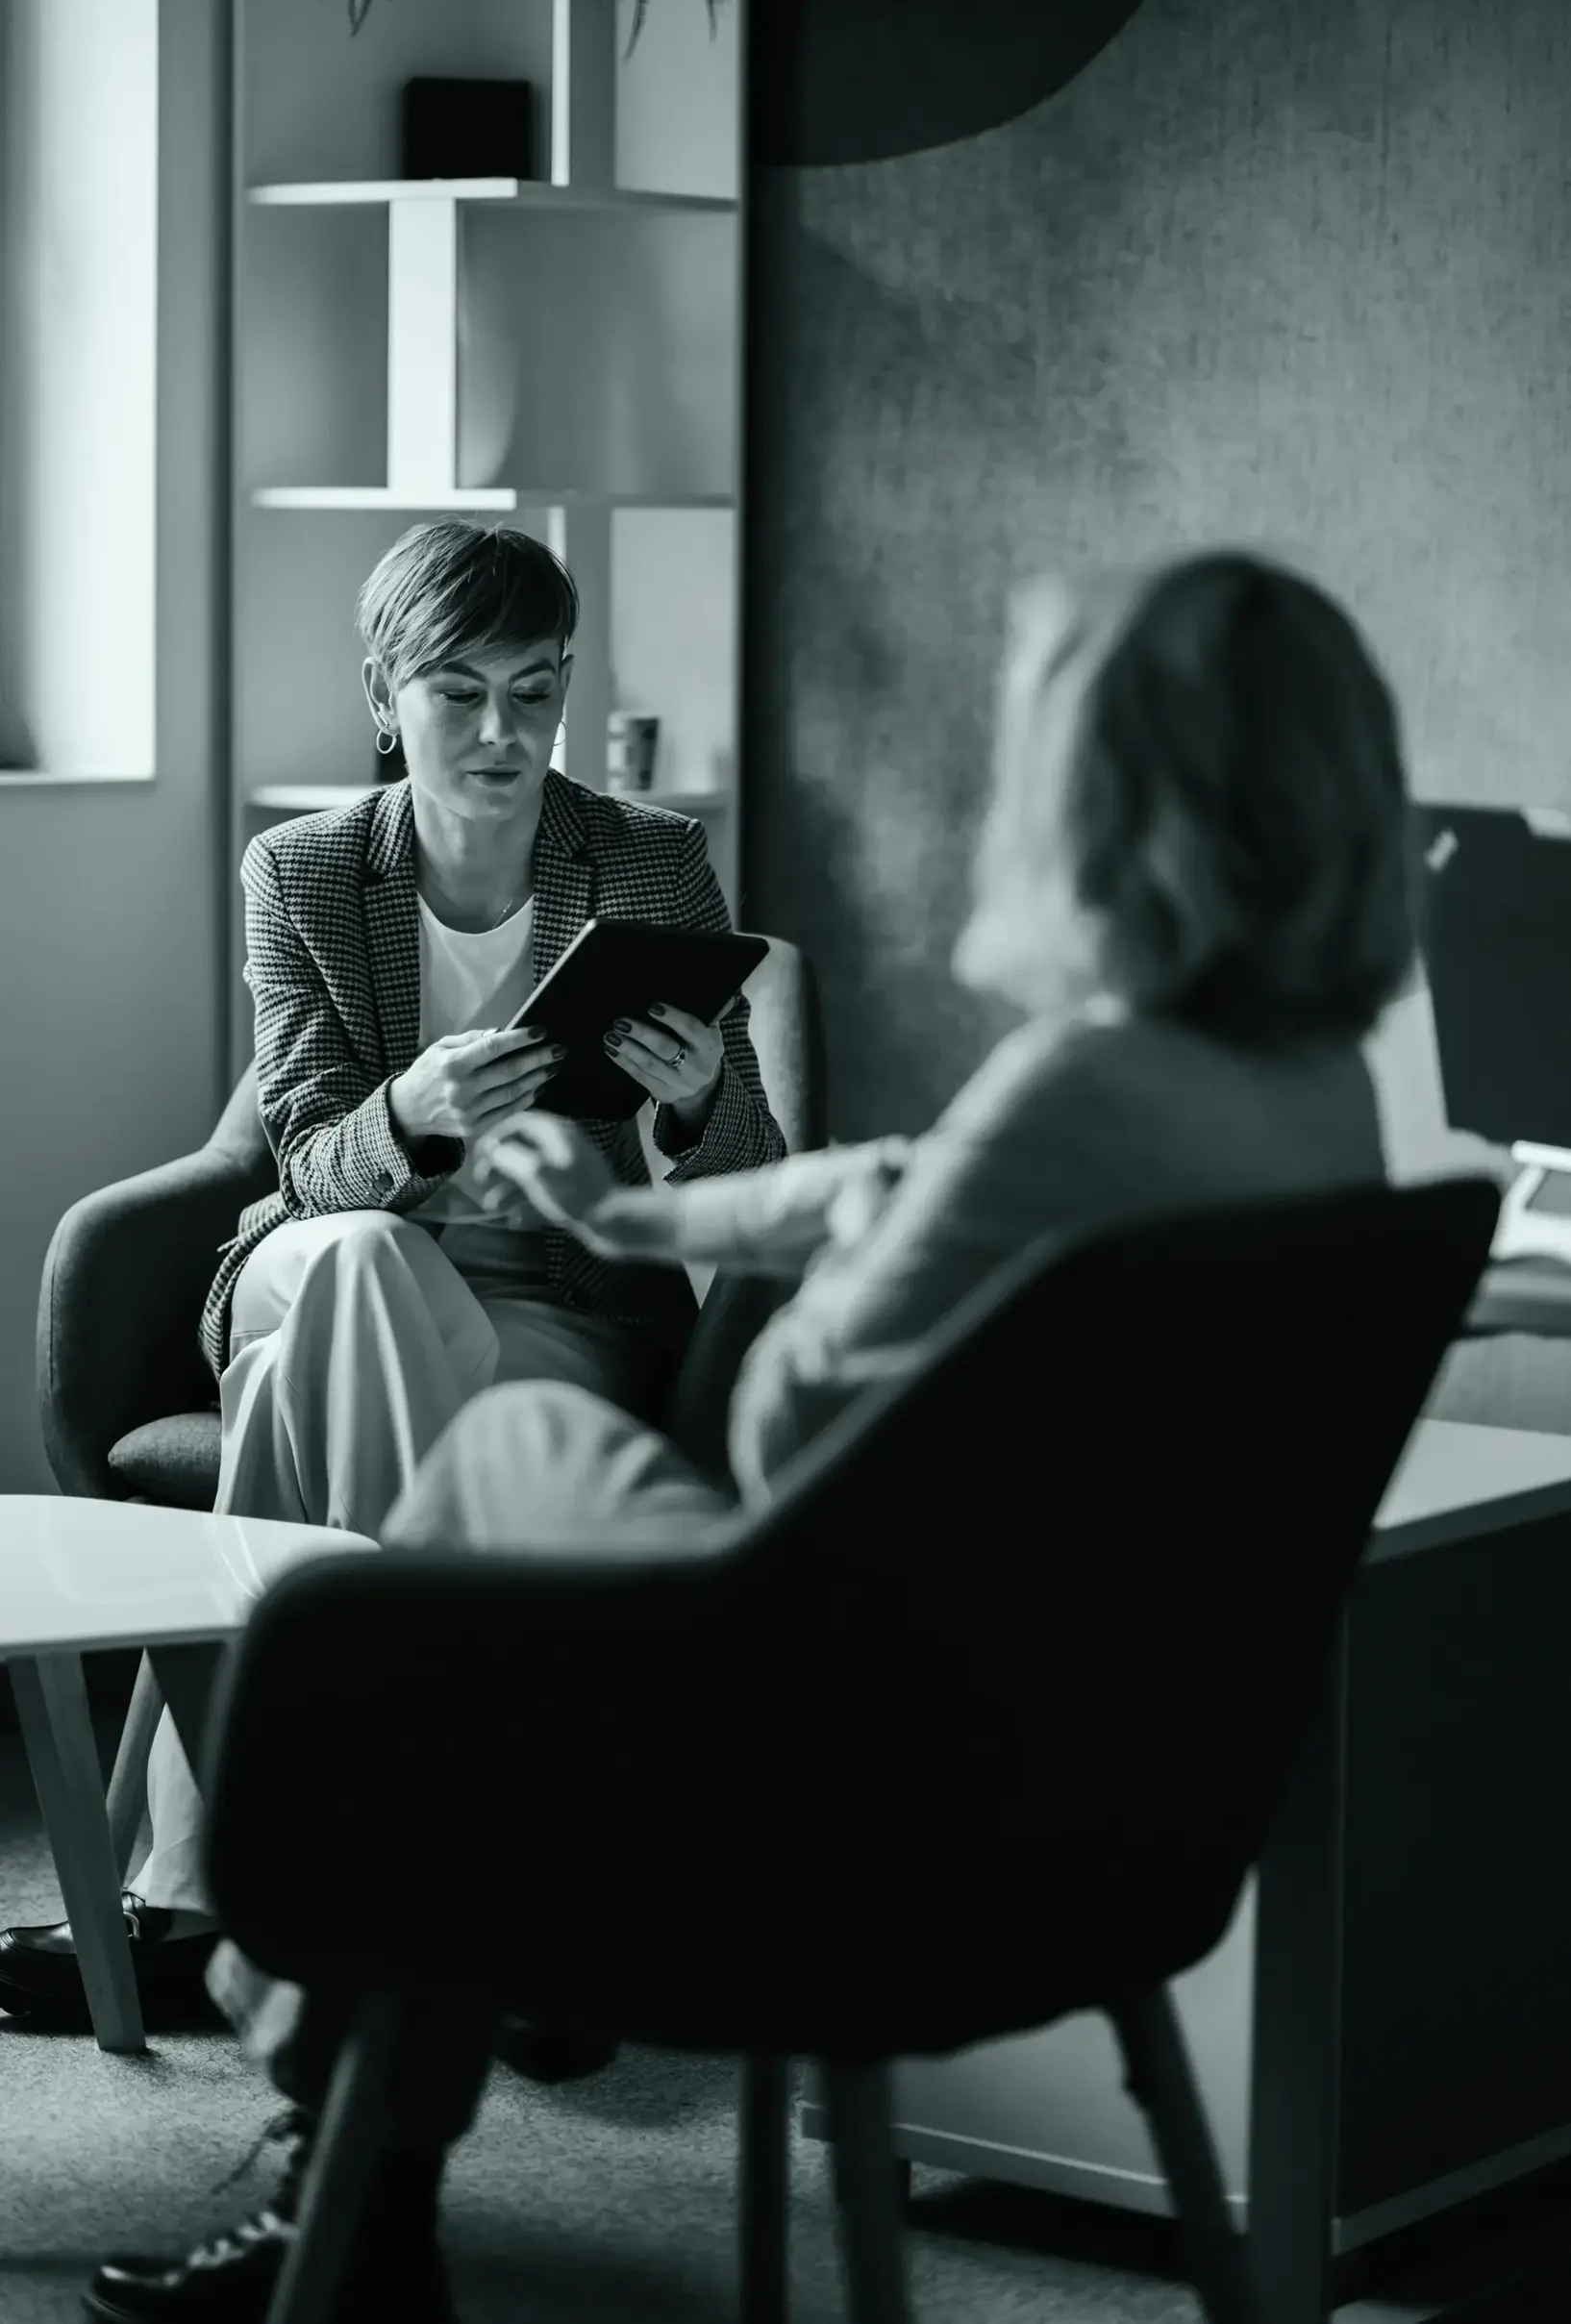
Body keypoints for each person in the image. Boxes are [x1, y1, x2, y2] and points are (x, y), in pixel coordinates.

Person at [77, 545, 1415, 2323]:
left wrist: (701, 1163)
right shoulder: (1325, 1115)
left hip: (815, 1752)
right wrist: (645, 1221)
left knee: (396, 1609)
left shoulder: (1075, 1091)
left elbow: (814, 1417)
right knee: (455, 1536)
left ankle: (328, 2069)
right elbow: (892, 1193)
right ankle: (354, 2057)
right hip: (1102, 1798)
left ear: (1108, 807)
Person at [0, 518, 785, 2035]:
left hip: (553, 1302)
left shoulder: (649, 859)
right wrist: (412, 1116)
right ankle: (483, 1891)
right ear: (385, 692)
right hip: (318, 1255)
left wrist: (690, 1100)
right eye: (461, 690)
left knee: (335, 1357)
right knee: (355, 1261)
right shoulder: (301, 870)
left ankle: (223, 1893)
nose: (506, 732)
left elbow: (744, 1166)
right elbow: (296, 1160)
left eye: (538, 691)